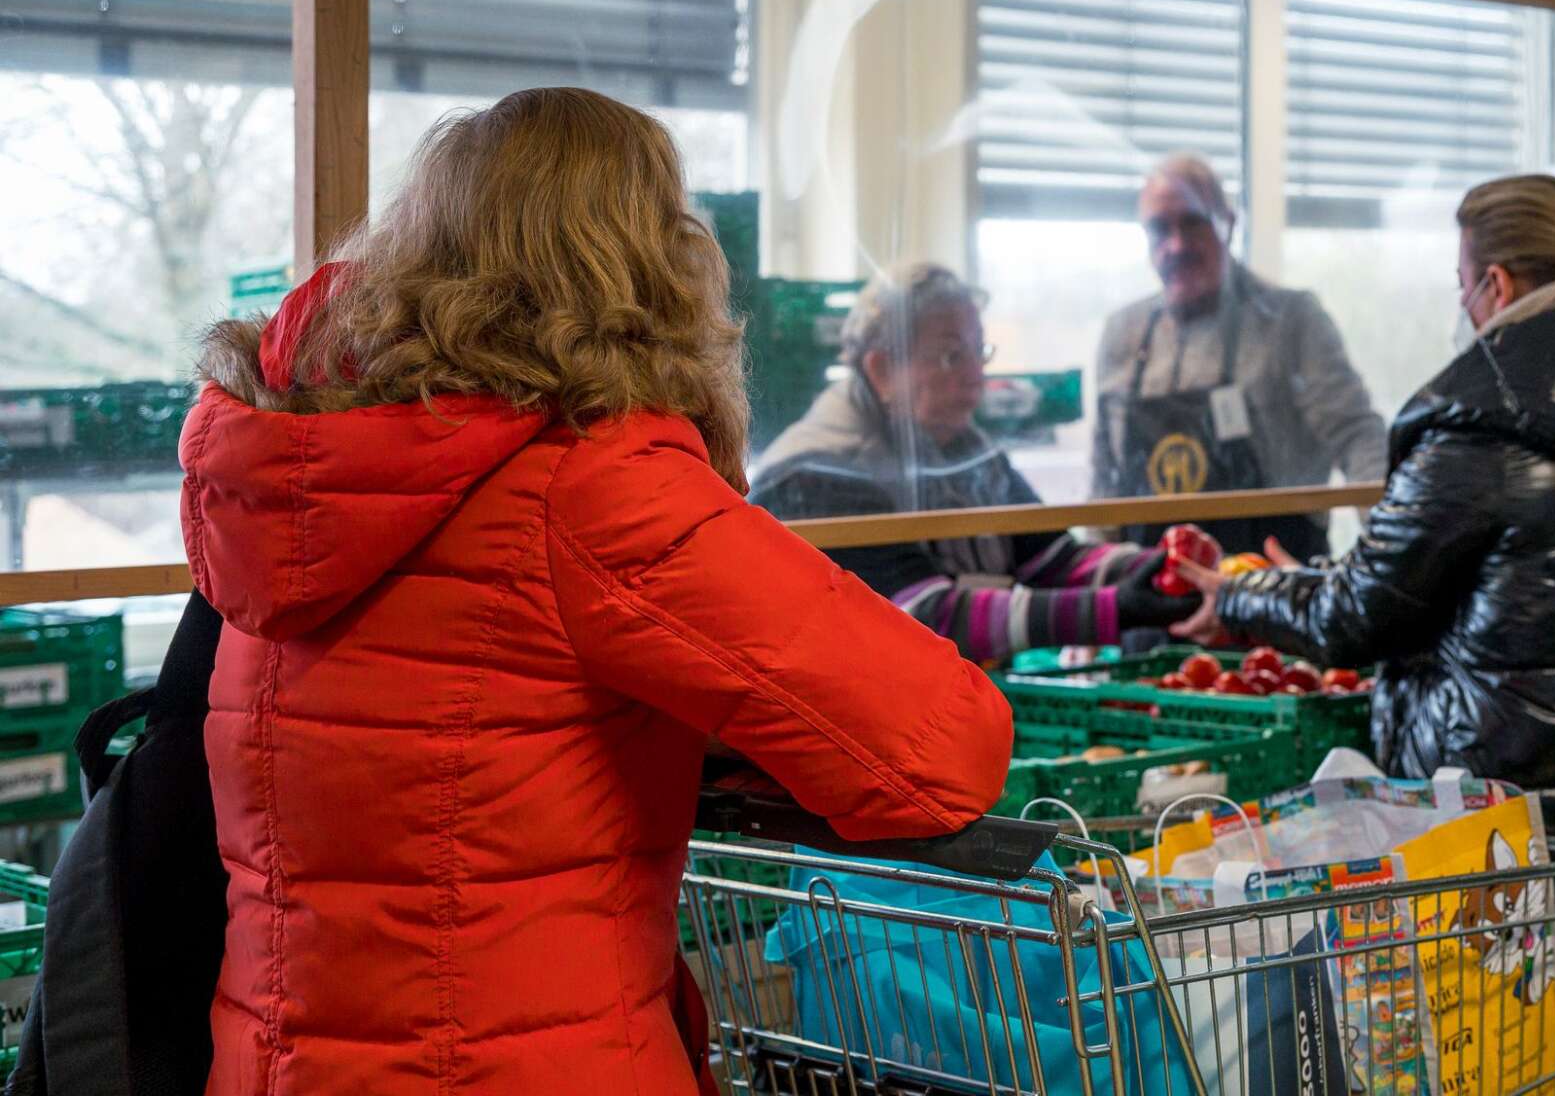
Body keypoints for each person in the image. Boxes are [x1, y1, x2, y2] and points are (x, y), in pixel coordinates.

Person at [180, 89, 1012, 1096]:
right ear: (646, 259)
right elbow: (942, 751)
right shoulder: (590, 480)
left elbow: (458, 713)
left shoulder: (295, 474)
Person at [1171, 174, 1555, 1002]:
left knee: (1527, 1053)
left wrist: (1239, 598)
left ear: (1494, 284)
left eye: (1462, 285)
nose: (1463, 305)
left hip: (1517, 822)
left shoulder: (1481, 425)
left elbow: (1362, 613)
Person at [752, 262, 1199, 662]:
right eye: (951, 356)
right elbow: (929, 618)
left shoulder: (963, 449)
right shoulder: (820, 471)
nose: (975, 374)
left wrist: (1165, 569)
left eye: (978, 351)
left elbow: (1052, 559)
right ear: (882, 370)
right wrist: (1114, 608)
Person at [1092, 153, 1387, 561]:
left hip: (1272, 586)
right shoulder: (1122, 334)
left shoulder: (1291, 321)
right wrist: (1097, 585)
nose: (1176, 245)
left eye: (1193, 223)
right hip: (1152, 591)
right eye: (1160, 229)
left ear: (1227, 223)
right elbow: (1105, 480)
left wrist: (1392, 546)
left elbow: (1357, 435)